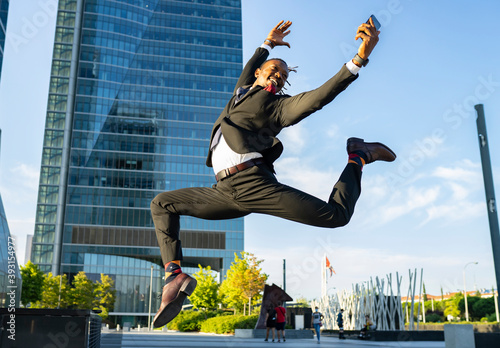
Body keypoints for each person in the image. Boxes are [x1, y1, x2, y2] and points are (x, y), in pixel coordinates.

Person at [151, 18, 396, 328]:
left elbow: (318, 97)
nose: (279, 77)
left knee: (336, 216)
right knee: (162, 203)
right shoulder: (239, 94)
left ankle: (358, 156)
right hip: (224, 193)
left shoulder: (275, 107)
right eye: (274, 70)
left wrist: (359, 58)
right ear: (258, 73)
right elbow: (249, 70)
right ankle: (174, 277)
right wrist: (267, 44)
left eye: (283, 76)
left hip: (255, 185)